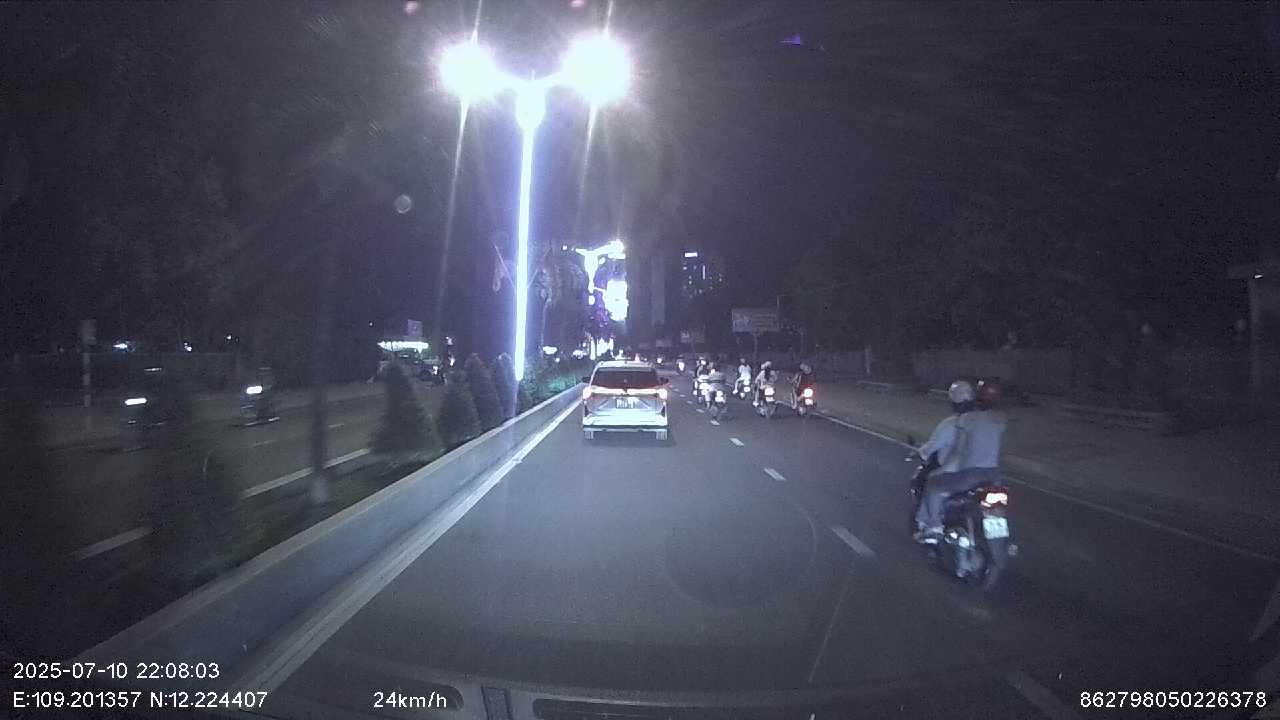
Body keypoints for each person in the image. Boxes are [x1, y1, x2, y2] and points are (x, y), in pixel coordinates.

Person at [913, 379, 1008, 543]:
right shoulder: (1001, 419)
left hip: (971, 475)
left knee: (933, 483)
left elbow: (958, 453)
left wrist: (941, 471)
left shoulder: (965, 420)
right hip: (995, 476)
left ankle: (934, 527)